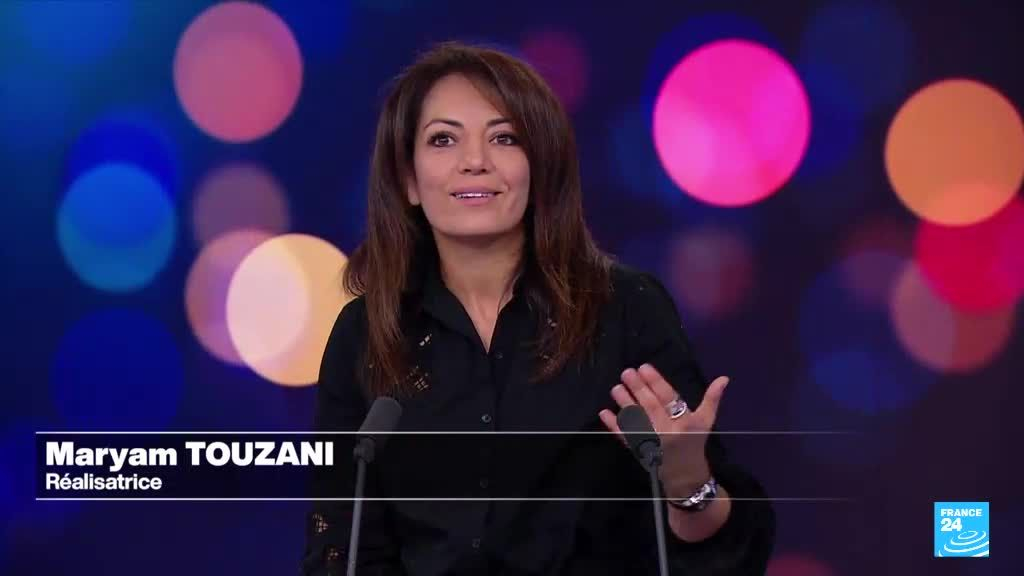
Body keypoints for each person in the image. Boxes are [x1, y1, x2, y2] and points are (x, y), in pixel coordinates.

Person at [301, 41, 774, 575]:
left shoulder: (626, 310)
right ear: (408, 179)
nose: (474, 161)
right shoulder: (365, 334)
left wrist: (688, 484)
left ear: (540, 167)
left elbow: (731, 552)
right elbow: (339, 545)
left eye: (504, 138)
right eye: (443, 139)